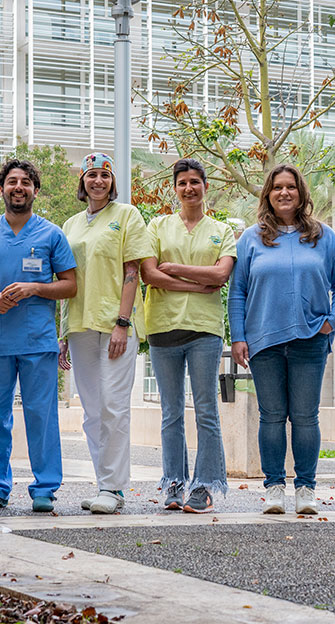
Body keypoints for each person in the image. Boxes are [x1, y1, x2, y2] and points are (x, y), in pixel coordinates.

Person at [230, 164, 335, 515]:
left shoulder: (323, 236)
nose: (284, 193)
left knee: (304, 416)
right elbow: (237, 291)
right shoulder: (251, 238)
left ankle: (306, 489)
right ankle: (273, 489)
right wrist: (238, 336)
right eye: (277, 187)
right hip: (264, 341)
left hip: (310, 339)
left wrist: (332, 321)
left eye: (291, 187)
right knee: (271, 416)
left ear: (301, 194)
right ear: (268, 194)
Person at [0, 158, 77, 513]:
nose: (18, 187)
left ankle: (45, 487)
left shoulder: (51, 234)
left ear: (34, 191)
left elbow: (70, 286)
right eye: (12, 181)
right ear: (2, 189)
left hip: (37, 340)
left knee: (41, 415)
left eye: (25, 182)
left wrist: (34, 288)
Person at [140, 158, 236, 513]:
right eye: (182, 182)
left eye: (195, 181)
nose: (189, 188)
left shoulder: (221, 230)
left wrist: (176, 269)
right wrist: (200, 283)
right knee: (171, 413)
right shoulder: (157, 226)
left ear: (205, 186)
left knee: (206, 411)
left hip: (204, 332)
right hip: (163, 328)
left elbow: (221, 275)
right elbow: (150, 274)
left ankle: (205, 486)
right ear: (175, 188)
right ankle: (175, 483)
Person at [61, 153, 153, 515]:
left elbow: (134, 272)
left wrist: (122, 322)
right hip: (80, 325)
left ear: (112, 183)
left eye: (104, 176)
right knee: (92, 411)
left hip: (116, 325)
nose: (97, 181)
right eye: (91, 175)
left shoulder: (127, 216)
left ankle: (113, 487)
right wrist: (63, 333)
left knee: (114, 406)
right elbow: (65, 280)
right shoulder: (70, 224)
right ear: (82, 182)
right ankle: (104, 483)